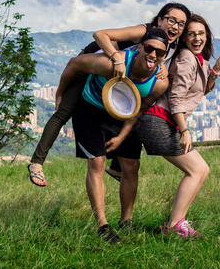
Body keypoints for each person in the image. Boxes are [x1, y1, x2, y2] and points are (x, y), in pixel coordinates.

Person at [27, 2, 191, 186]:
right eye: (172, 20)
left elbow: (153, 57)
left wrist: (161, 66)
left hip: (113, 75)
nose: (175, 26)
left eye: (181, 24)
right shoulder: (142, 31)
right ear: (160, 19)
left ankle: (117, 166)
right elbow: (100, 35)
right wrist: (115, 59)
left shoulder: (172, 45)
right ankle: (36, 162)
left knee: (132, 109)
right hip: (90, 63)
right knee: (63, 111)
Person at [108, 14, 220, 238]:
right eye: (191, 34)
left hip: (163, 121)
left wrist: (215, 69)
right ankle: (175, 224)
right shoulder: (185, 58)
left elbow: (201, 89)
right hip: (158, 121)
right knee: (198, 170)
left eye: (201, 33)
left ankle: (177, 223)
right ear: (184, 39)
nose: (197, 38)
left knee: (200, 171)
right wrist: (184, 131)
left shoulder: (198, 60)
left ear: (207, 36)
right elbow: (176, 98)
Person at [56, 28, 170, 243]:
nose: (153, 55)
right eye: (149, 48)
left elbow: (141, 108)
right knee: (97, 163)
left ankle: (126, 221)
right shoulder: (113, 64)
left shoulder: (160, 82)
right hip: (91, 109)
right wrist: (60, 93)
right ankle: (102, 225)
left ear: (165, 57)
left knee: (131, 166)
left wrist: (122, 136)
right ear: (139, 46)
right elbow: (74, 62)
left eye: (160, 53)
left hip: (124, 115)